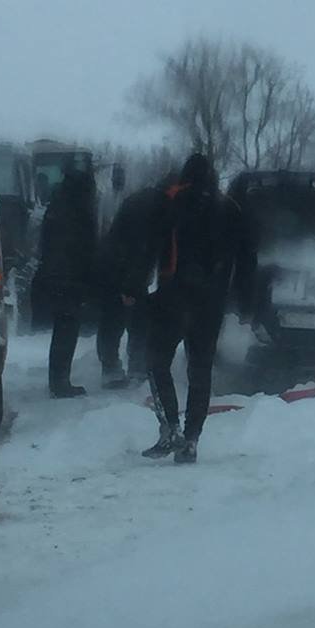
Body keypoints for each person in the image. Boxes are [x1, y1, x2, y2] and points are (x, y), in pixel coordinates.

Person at [142, 152, 251, 464]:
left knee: (156, 361)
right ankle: (192, 440)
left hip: (174, 296)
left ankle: (170, 428)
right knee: (200, 370)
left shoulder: (170, 201)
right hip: (212, 302)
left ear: (185, 175)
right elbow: (245, 258)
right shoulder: (229, 208)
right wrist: (243, 300)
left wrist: (135, 288)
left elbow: (151, 246)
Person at [95, 179, 173, 387]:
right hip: (120, 269)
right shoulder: (155, 208)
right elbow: (139, 247)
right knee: (119, 318)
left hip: (122, 267)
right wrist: (128, 287)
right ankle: (119, 369)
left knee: (127, 319)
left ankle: (127, 366)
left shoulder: (147, 200)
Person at [32, 163, 98, 397]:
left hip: (57, 276)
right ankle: (60, 382)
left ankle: (58, 379)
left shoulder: (58, 204)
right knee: (67, 329)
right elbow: (83, 247)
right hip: (70, 278)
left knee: (64, 328)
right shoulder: (77, 209)